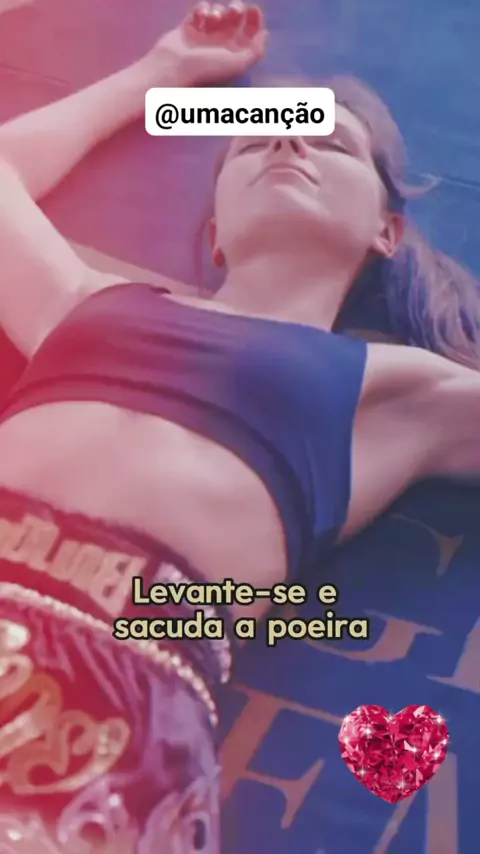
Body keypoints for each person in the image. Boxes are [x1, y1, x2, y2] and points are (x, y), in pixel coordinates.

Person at [0, 1, 479, 851]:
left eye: (330, 144)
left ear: (386, 229)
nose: (289, 141)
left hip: (117, 697)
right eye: (257, 139)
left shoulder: (401, 393)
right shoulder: (86, 303)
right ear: (215, 231)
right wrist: (168, 75)